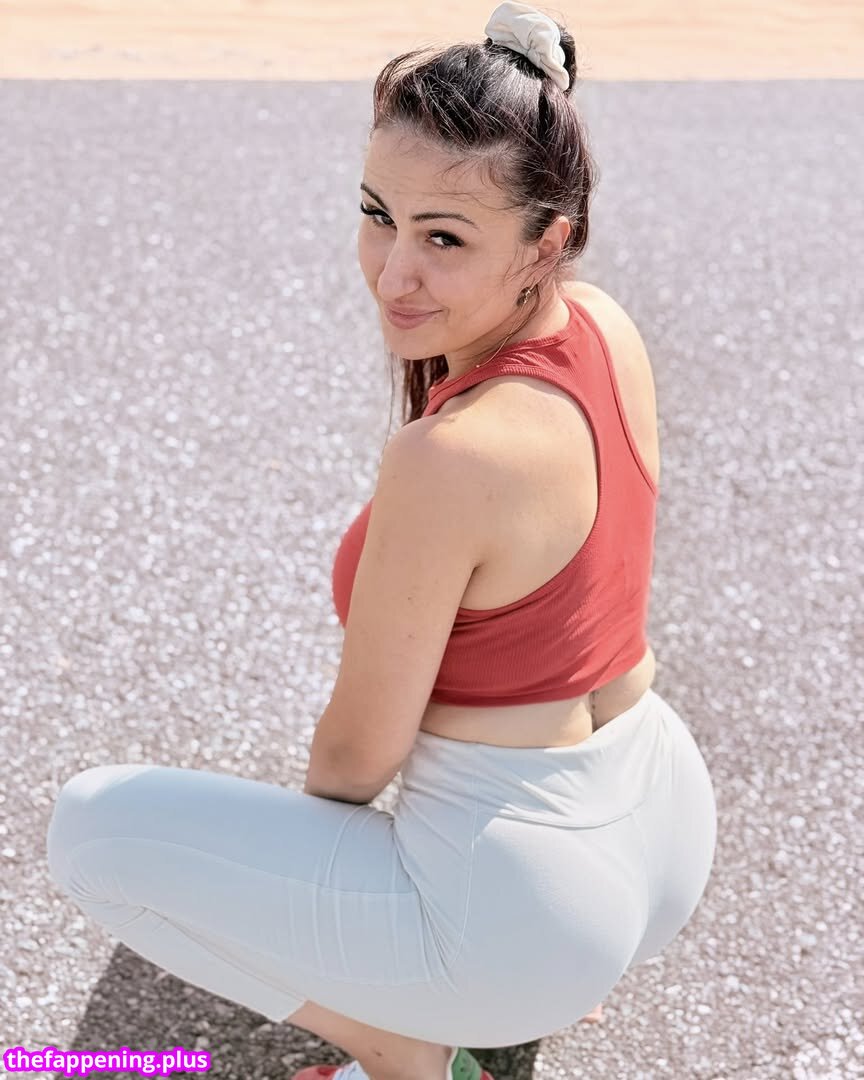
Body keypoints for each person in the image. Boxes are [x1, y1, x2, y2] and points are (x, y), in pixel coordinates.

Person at [45, 4, 718, 1079]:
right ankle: (500, 983)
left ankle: (407, 1049)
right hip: (662, 823)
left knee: (91, 833)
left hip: (531, 908)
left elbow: (356, 762)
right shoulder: (603, 324)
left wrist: (318, 918)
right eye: (378, 215)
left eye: (444, 238)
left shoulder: (451, 458)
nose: (392, 272)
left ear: (547, 241)